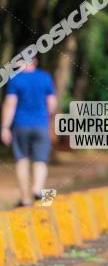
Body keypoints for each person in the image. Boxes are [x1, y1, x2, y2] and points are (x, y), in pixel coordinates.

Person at [1, 58, 57, 207]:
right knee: (41, 160)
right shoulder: (45, 77)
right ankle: (37, 189)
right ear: (35, 61)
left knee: (22, 160)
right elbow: (52, 104)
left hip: (21, 125)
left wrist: (5, 127)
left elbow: (10, 105)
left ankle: (25, 200)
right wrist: (48, 120)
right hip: (41, 125)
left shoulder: (16, 80)